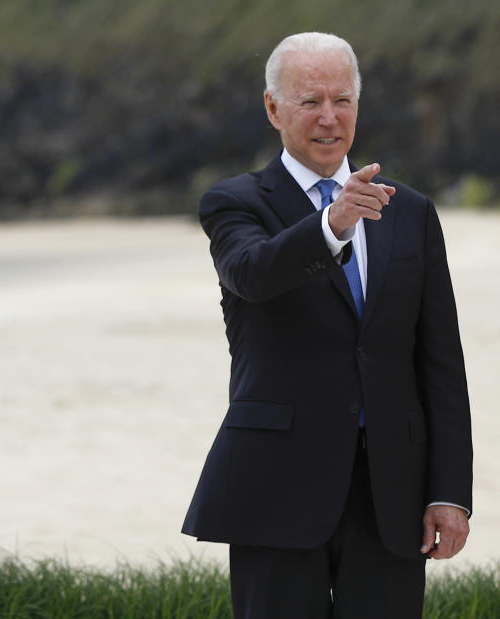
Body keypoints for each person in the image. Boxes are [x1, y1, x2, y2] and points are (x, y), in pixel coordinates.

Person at [181, 32, 472, 619]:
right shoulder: (235, 202)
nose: (329, 118)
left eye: (342, 100)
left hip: (391, 493)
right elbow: (252, 274)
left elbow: (439, 359)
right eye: (310, 101)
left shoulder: (409, 211)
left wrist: (449, 492)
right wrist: (330, 225)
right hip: (277, 486)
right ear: (273, 108)